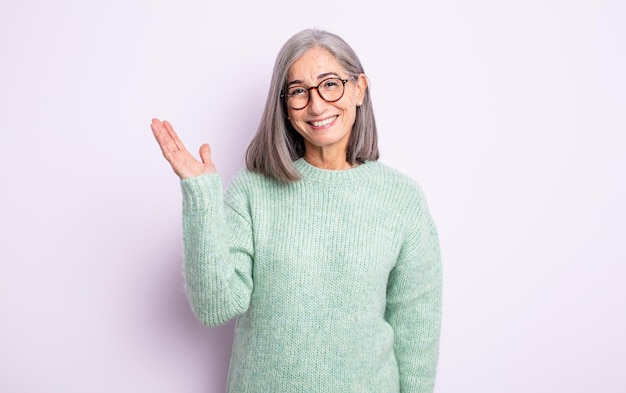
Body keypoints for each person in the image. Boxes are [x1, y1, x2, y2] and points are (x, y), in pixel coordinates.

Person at [151, 28, 442, 393]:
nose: (317, 105)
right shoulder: (254, 190)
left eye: (330, 84)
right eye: (299, 91)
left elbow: (416, 332)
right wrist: (201, 197)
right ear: (285, 106)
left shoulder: (402, 200)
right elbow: (216, 307)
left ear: (359, 89)